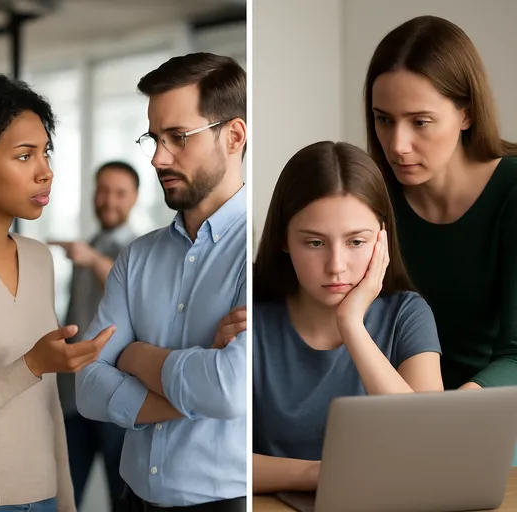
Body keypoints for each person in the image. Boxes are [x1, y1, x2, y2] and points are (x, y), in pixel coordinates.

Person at [75, 53, 248, 511]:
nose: (157, 157)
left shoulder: (267, 249)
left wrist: (136, 356)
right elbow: (88, 386)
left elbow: (230, 390)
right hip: (133, 498)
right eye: (154, 138)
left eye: (178, 138)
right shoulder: (137, 257)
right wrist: (195, 385)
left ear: (233, 136)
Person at [251, 141, 444, 494]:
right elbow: (218, 455)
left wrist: (352, 326)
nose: (336, 266)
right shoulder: (251, 318)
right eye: (315, 243)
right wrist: (322, 475)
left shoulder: (407, 313)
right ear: (283, 239)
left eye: (356, 242)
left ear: (381, 240)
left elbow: (427, 444)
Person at [0, 72, 115, 512]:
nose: (45, 171)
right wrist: (32, 363)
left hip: (46, 492)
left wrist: (65, 499)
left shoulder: (39, 259)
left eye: (45, 152)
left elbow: (47, 398)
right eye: (24, 155)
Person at [364, 15, 517, 390]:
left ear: (466, 113)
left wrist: (451, 414)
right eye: (384, 119)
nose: (397, 145)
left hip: (493, 408)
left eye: (420, 122)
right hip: (395, 407)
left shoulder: (511, 191)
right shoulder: (370, 199)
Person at [51, 161, 140, 510]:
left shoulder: (140, 250)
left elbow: (130, 298)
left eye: (119, 193)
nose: (109, 200)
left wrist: (91, 259)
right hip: (73, 397)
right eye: (103, 190)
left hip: (117, 399)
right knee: (65, 495)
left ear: (134, 198)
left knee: (123, 498)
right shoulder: (86, 246)